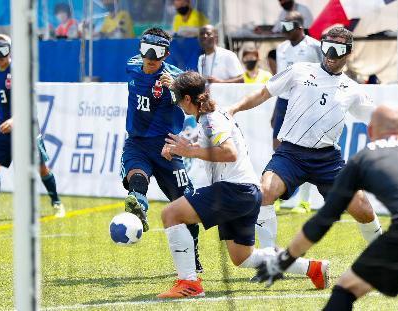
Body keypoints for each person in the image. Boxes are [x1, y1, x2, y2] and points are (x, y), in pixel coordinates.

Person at [157, 71, 329, 298]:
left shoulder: (211, 119)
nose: (178, 105)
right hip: (246, 192)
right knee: (242, 257)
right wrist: (180, 149)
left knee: (171, 214)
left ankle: (189, 283)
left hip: (234, 190)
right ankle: (313, 268)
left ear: (187, 99)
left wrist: (190, 151)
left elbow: (229, 153)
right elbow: (211, 145)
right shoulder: (211, 116)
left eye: (178, 99)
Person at [229, 27, 383, 250]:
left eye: (337, 48)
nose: (330, 53)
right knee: (265, 192)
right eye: (326, 46)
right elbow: (264, 92)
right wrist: (233, 109)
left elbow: (380, 119)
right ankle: (270, 258)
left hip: (327, 159)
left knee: (364, 210)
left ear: (348, 52)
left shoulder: (353, 89)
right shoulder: (299, 70)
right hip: (290, 153)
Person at [252, 105, 398, 311]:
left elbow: (322, 221)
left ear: (371, 132)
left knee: (345, 290)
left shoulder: (362, 160)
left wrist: (286, 258)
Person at [121, 27, 202, 272]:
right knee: (136, 175)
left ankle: (194, 256)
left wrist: (176, 89)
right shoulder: (132, 65)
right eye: (147, 49)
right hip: (137, 141)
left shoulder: (176, 78)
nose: (150, 57)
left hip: (168, 144)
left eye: (157, 52)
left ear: (166, 55)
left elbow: (199, 98)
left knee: (186, 203)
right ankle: (139, 207)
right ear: (140, 48)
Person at [0, 34, 65, 221]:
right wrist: (5, 119)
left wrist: (15, 120)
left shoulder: (19, 70)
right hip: (4, 125)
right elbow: (1, 100)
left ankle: (57, 203)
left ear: (10, 51)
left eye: (3, 50)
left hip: (26, 124)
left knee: (40, 168)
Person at [272, 11, 322, 215]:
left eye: (287, 26)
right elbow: (281, 79)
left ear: (299, 27)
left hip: (307, 103)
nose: (283, 30)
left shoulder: (315, 46)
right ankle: (275, 195)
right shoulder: (281, 48)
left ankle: (304, 202)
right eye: (282, 26)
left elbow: (326, 73)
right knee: (278, 148)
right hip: (284, 102)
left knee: (306, 149)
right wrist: (276, 109)